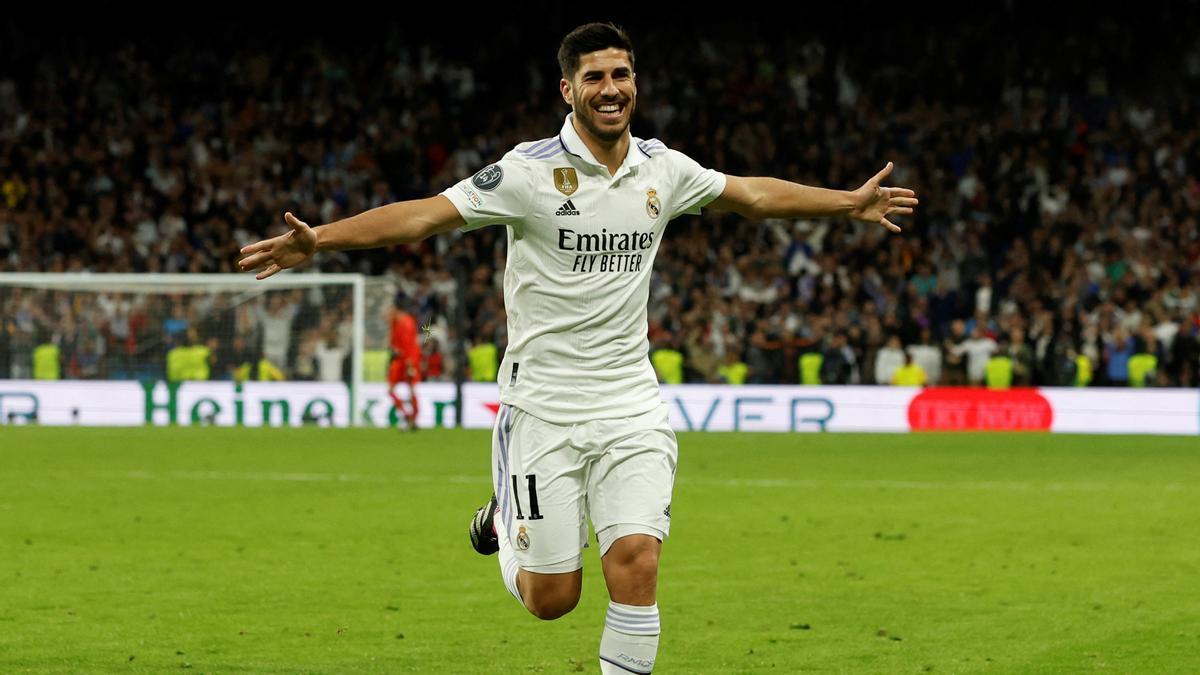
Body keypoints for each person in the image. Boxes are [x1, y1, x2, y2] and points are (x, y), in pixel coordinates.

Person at [236, 23, 917, 674]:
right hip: (545, 409)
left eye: (621, 73)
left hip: (631, 404)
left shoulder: (663, 169)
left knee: (637, 560)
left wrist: (845, 203)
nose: (611, 87)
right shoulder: (527, 175)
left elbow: (753, 195)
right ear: (569, 90)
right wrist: (319, 238)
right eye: (594, 76)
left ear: (635, 83)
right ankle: (504, 517)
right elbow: (424, 215)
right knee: (551, 599)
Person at [388, 294, 423, 430]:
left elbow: (409, 346)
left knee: (411, 389)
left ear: (396, 309)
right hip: (399, 360)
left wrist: (410, 365)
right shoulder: (396, 322)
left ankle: (413, 419)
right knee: (391, 390)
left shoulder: (406, 323)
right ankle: (408, 417)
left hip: (409, 360)